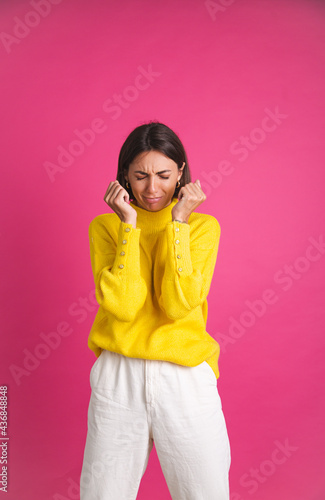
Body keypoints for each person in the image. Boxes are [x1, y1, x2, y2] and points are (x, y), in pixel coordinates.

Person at [80, 122, 231, 499]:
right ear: (124, 178)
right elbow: (124, 305)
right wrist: (128, 226)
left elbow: (179, 305)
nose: (152, 189)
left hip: (185, 378)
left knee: (205, 493)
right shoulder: (106, 227)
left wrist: (177, 223)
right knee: (103, 493)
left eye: (164, 175)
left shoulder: (201, 228)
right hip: (120, 374)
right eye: (140, 176)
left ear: (181, 173)